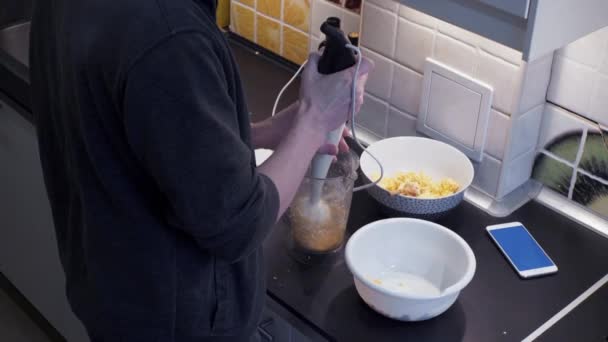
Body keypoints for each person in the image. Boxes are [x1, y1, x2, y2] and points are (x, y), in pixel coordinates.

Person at [29, 0, 372, 341]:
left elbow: (150, 128)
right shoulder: (170, 36)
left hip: (113, 292)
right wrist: (313, 121)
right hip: (174, 322)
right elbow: (239, 222)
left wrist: (273, 131)